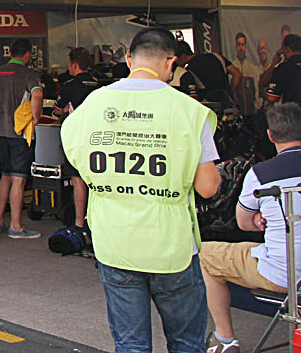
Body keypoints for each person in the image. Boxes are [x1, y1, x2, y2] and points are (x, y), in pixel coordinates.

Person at [61, 28, 221, 353]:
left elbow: (77, 159)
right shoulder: (189, 111)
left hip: (114, 242)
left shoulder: (91, 106)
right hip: (172, 247)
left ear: (129, 58)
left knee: (131, 345)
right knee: (187, 343)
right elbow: (208, 187)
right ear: (170, 62)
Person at [200, 103, 301, 353]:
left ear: (270, 135)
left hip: (283, 271)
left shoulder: (261, 174)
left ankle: (224, 340)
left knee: (204, 255)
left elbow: (244, 223)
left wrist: (260, 219)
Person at [0, 38, 43, 239]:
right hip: (20, 133)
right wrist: (35, 117)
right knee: (19, 178)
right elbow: (38, 95)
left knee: (5, 175)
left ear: (10, 54)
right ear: (27, 55)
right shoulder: (28, 73)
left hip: (0, 133)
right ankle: (16, 226)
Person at [52, 47, 100, 230]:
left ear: (74, 64)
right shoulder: (100, 84)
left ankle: (79, 222)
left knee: (78, 180)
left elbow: (57, 112)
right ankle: (96, 221)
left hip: (78, 139)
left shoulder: (69, 86)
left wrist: (65, 110)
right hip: (100, 139)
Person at [177, 41, 242, 102]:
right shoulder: (216, 56)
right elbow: (237, 74)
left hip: (209, 108)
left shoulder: (189, 71)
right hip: (227, 104)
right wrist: (229, 93)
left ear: (183, 56)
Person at [265, 33, 301, 106]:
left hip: (292, 113)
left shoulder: (282, 68)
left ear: (287, 49)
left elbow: (271, 97)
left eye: (282, 49)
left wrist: (262, 91)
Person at [232, 32, 261, 114]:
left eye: (243, 45)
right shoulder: (232, 69)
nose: (241, 48)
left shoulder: (252, 69)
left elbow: (256, 93)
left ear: (245, 47)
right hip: (237, 115)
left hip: (251, 114)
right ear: (236, 47)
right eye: (239, 45)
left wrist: (256, 108)